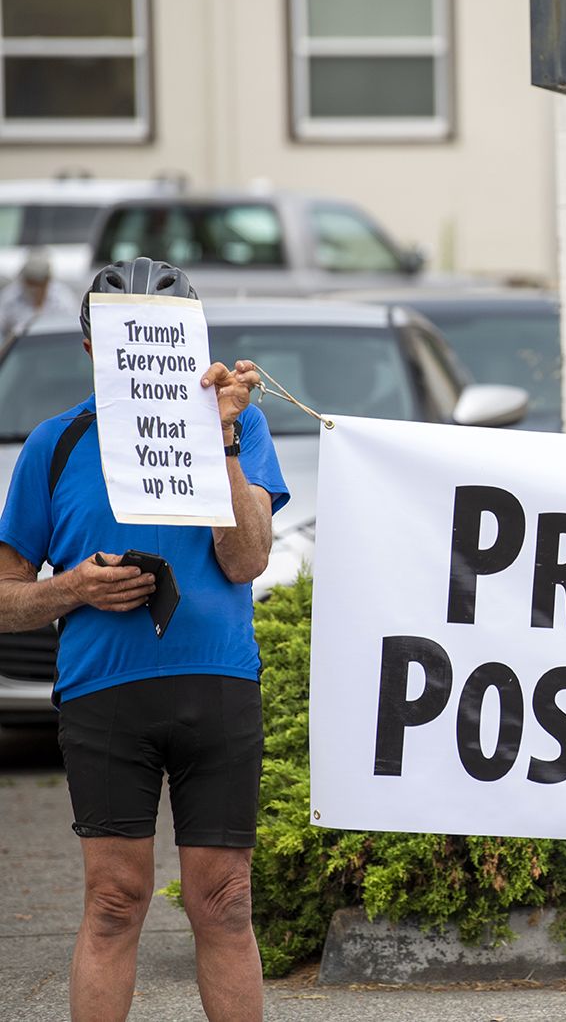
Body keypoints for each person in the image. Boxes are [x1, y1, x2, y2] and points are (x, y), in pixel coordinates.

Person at [0, 257, 287, 1022]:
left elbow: (247, 558)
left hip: (218, 683)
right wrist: (73, 588)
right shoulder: (54, 446)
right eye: (129, 336)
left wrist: (222, 433)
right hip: (104, 695)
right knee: (115, 899)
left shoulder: (238, 422)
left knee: (224, 901)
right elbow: (3, 601)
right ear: (94, 347)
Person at [0, 248, 78, 338]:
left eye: (37, 283)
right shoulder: (10, 296)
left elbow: (70, 328)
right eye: (30, 282)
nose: (33, 288)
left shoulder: (63, 298)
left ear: (46, 281)